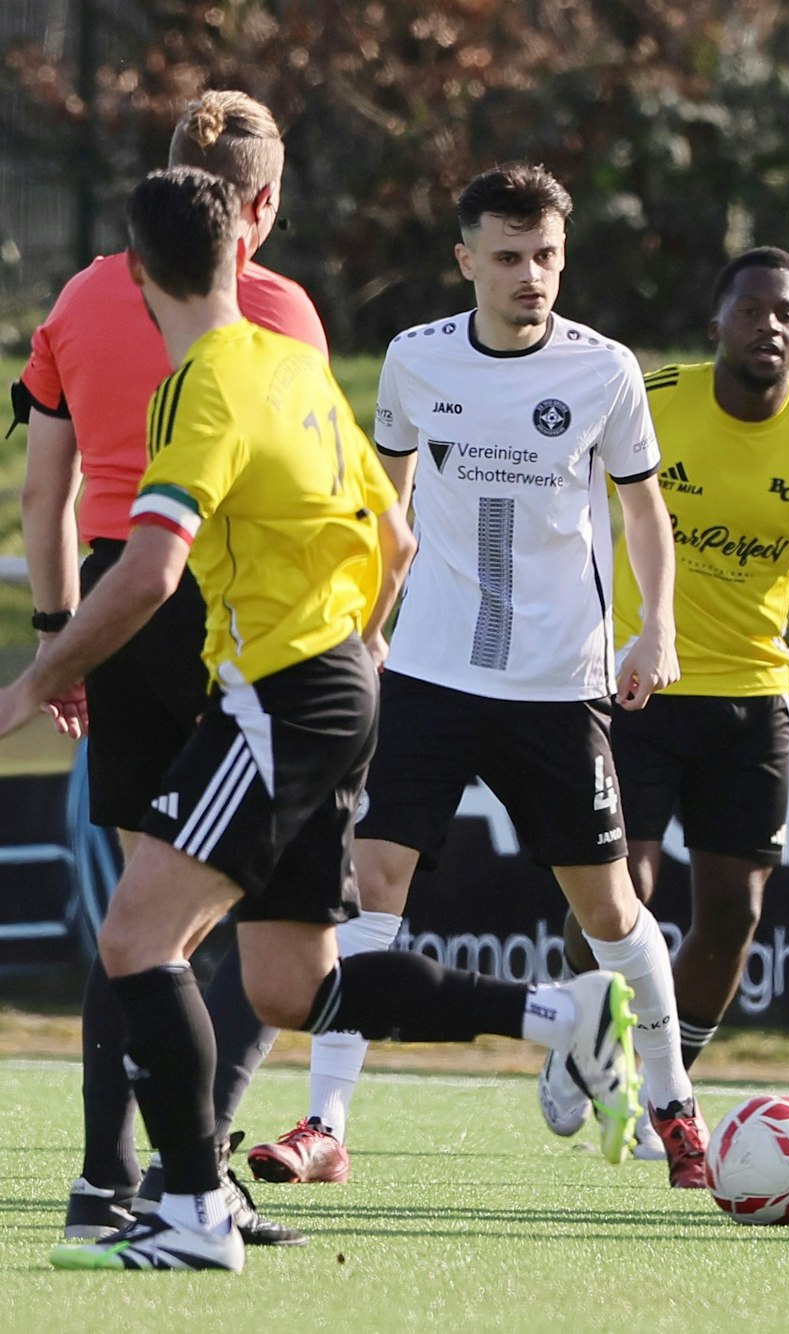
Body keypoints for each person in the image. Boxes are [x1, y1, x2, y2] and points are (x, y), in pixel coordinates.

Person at [8, 165, 641, 1273]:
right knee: (290, 984)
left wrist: (33, 674)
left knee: (135, 940)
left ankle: (192, 1208)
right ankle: (563, 1015)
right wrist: (360, 642)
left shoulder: (198, 384)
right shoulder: (298, 367)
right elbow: (393, 537)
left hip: (280, 696)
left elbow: (151, 570)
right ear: (241, 251)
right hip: (343, 682)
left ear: (139, 269)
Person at [244, 163, 694, 1187]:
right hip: (433, 676)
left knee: (612, 910)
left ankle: (674, 1106)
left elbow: (641, 511)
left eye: (545, 255)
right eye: (507, 257)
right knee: (371, 883)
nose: (530, 275)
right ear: (466, 262)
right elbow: (383, 509)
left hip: (556, 682)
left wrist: (654, 626)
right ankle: (325, 1124)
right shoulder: (414, 361)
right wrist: (365, 635)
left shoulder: (604, 370)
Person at [14, 90, 325, 1248]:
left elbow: (43, 493)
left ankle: (112, 1180)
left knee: (142, 910)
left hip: (111, 595)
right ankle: (193, 1175)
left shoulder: (81, 296)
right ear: (262, 201)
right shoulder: (277, 304)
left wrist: (59, 638)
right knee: (229, 912)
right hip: (221, 603)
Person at [540, 246, 789, 1185]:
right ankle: (579, 1039)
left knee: (734, 911)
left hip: (752, 698)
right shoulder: (651, 399)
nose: (772, 326)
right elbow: (565, 510)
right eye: (754, 309)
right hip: (636, 686)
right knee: (619, 889)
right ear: (717, 324)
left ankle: (652, 1078)